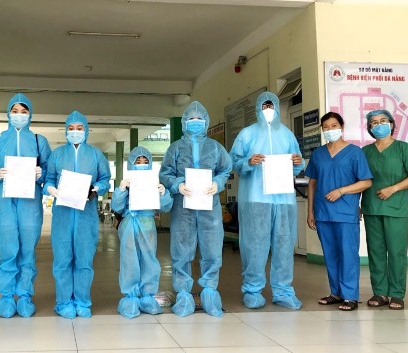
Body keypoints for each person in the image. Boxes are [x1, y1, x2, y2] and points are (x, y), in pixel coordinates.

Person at [229, 91, 305, 310]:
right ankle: (252, 290)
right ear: (257, 109)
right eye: (264, 106)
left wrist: (298, 162)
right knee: (255, 245)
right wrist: (248, 161)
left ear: (278, 108)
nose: (268, 110)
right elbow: (233, 161)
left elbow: (297, 162)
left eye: (271, 106)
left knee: (284, 244)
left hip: (283, 199)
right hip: (256, 198)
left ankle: (283, 291)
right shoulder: (247, 134)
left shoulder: (288, 134)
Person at [159, 101, 232, 317]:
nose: (195, 122)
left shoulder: (216, 147)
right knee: (181, 250)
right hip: (183, 205)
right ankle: (183, 294)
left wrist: (217, 183)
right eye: (191, 119)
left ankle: (210, 292)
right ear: (184, 122)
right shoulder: (174, 148)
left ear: (206, 122)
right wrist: (177, 184)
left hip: (210, 204)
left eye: (199, 119)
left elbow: (226, 168)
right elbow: (165, 173)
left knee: (212, 248)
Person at [0, 93, 52, 318]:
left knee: (27, 251)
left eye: (24, 112)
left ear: (30, 115)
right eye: (15, 111)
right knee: (9, 249)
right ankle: (5, 297)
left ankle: (24, 296)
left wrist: (41, 174)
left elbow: (50, 173)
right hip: (5, 203)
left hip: (30, 203)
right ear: (8, 114)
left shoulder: (40, 141)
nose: (19, 116)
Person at [43, 111, 111, 319]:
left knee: (84, 260)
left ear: (86, 131)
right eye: (71, 129)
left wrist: (96, 188)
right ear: (65, 131)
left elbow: (106, 179)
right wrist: (51, 190)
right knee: (62, 260)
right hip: (62, 215)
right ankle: (63, 302)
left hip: (86, 216)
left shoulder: (95, 154)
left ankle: (82, 302)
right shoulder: (57, 155)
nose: (75, 132)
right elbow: (48, 180)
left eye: (79, 128)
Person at [305, 112, 372, 311]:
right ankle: (336, 293)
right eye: (325, 127)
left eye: (334, 125)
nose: (329, 130)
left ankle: (350, 296)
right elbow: (312, 183)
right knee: (330, 254)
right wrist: (310, 212)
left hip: (345, 213)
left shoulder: (355, 152)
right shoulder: (318, 153)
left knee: (348, 254)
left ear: (341, 127)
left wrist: (342, 190)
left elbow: (366, 182)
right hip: (323, 212)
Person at [361, 109, 408, 310]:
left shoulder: (404, 148)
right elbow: (360, 180)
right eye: (374, 122)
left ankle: (396, 294)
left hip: (396, 208)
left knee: (396, 252)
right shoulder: (365, 152)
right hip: (371, 207)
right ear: (369, 128)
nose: (379, 125)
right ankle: (380, 292)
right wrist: (357, 206)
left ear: (392, 124)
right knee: (375, 252)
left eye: (383, 121)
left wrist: (393, 189)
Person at [112, 146, 173, 319]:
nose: (141, 164)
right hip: (129, 223)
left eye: (145, 161)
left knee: (149, 260)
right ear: (131, 163)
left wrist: (163, 193)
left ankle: (147, 297)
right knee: (129, 261)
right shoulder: (127, 183)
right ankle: (130, 298)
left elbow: (165, 207)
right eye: (137, 161)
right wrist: (121, 190)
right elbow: (116, 207)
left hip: (147, 224)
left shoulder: (154, 183)